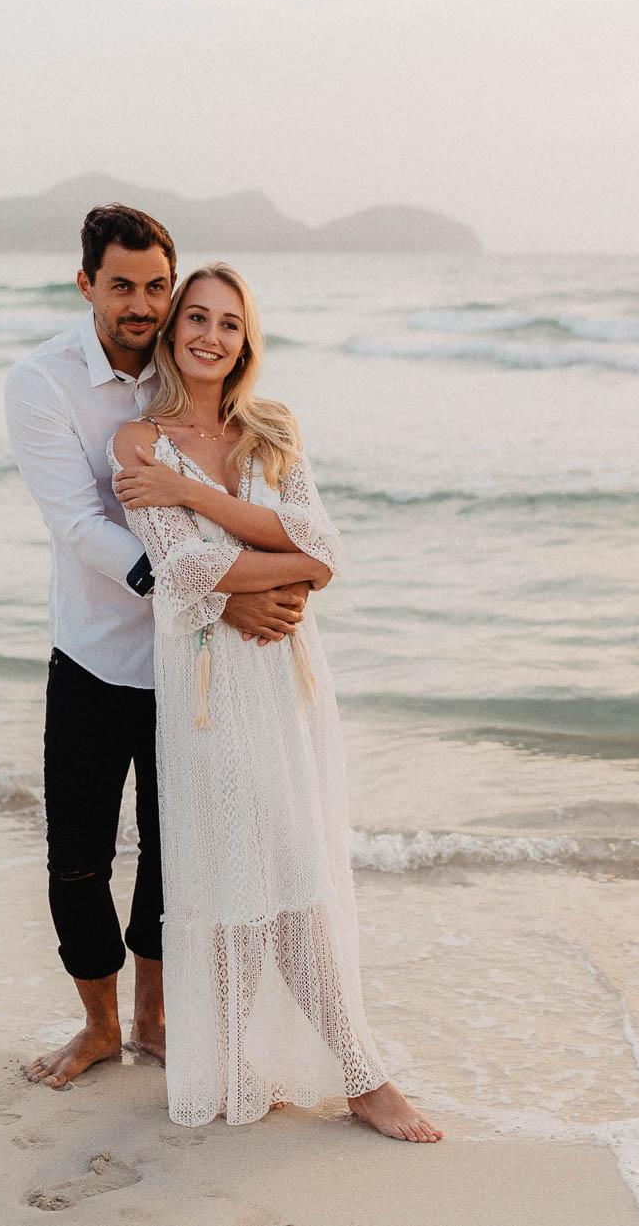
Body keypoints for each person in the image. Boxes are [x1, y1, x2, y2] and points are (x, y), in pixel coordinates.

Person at [108, 262, 442, 1142]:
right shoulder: (137, 442)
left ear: (245, 339)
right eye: (196, 317)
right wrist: (277, 561)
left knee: (281, 865)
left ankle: (244, 1062)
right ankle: (356, 1074)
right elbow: (183, 569)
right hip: (209, 688)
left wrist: (194, 496)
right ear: (174, 327)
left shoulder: (274, 429)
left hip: (286, 682)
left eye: (229, 323)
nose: (210, 336)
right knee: (252, 870)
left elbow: (326, 550)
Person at [4, 207, 310, 1089]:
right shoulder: (42, 382)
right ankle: (98, 1025)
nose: (142, 305)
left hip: (196, 663)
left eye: (156, 287)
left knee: (175, 853)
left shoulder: (190, 364)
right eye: (122, 286)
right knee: (78, 857)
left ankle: (153, 1017)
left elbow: (253, 493)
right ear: (86, 284)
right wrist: (221, 592)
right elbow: (79, 526)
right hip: (97, 652)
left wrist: (272, 580)